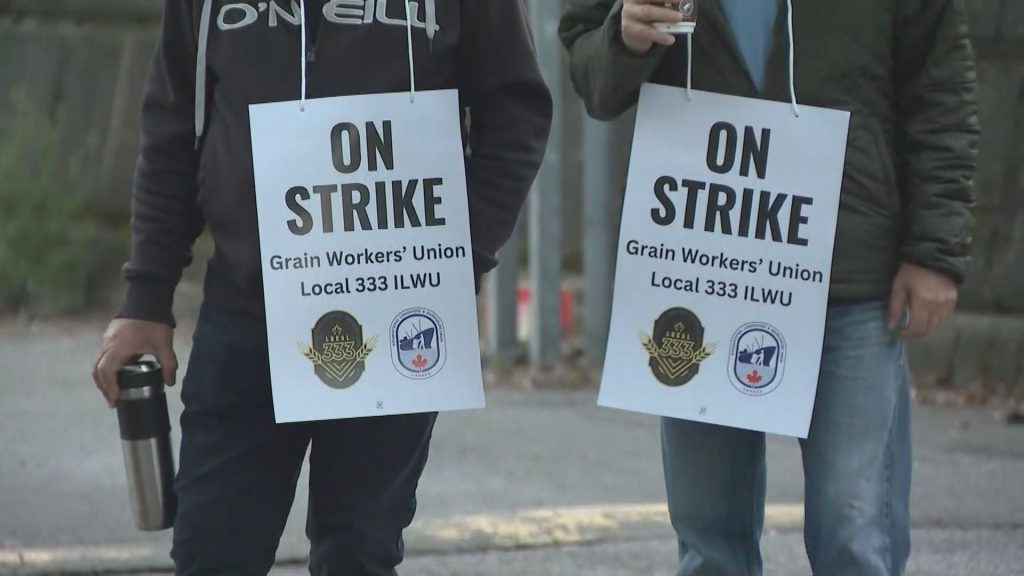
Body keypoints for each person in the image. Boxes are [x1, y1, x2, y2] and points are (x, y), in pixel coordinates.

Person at [91, 1, 551, 574]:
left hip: (397, 308)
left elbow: (517, 112)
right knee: (213, 549)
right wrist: (145, 299)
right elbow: (174, 127)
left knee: (359, 551)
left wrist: (458, 258)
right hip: (246, 310)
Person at [560, 0, 978, 574]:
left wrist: (934, 251)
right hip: (701, 265)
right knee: (710, 546)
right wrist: (622, 40)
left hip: (849, 268)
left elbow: (941, 90)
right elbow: (590, 70)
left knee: (853, 535)